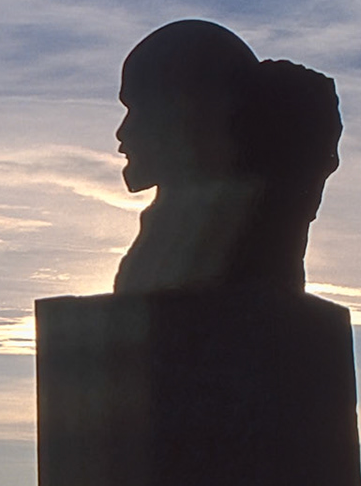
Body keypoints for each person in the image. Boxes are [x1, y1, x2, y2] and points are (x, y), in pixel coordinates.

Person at [112, 20, 340, 295]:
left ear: (191, 120)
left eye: (139, 110)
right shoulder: (168, 252)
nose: (122, 133)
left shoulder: (212, 259)